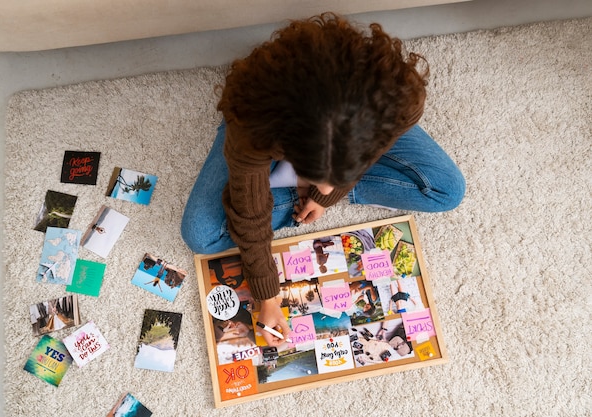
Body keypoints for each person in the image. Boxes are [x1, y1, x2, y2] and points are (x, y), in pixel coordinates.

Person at [181, 13, 465, 346]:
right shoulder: (254, 127)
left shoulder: (395, 102)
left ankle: (295, 190)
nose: (325, 183)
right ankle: (286, 187)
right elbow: (248, 207)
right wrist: (267, 296)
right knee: (200, 235)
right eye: (313, 175)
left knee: (448, 191)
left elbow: (369, 151)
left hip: (359, 122)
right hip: (267, 130)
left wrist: (327, 193)